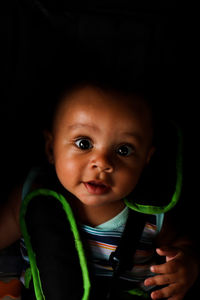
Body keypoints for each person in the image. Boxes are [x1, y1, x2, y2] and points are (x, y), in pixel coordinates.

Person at [0, 77, 199, 300]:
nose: (102, 162)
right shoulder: (30, 198)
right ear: (50, 148)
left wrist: (186, 266)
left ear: (146, 160)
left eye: (124, 150)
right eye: (84, 143)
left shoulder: (150, 215)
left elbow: (182, 244)